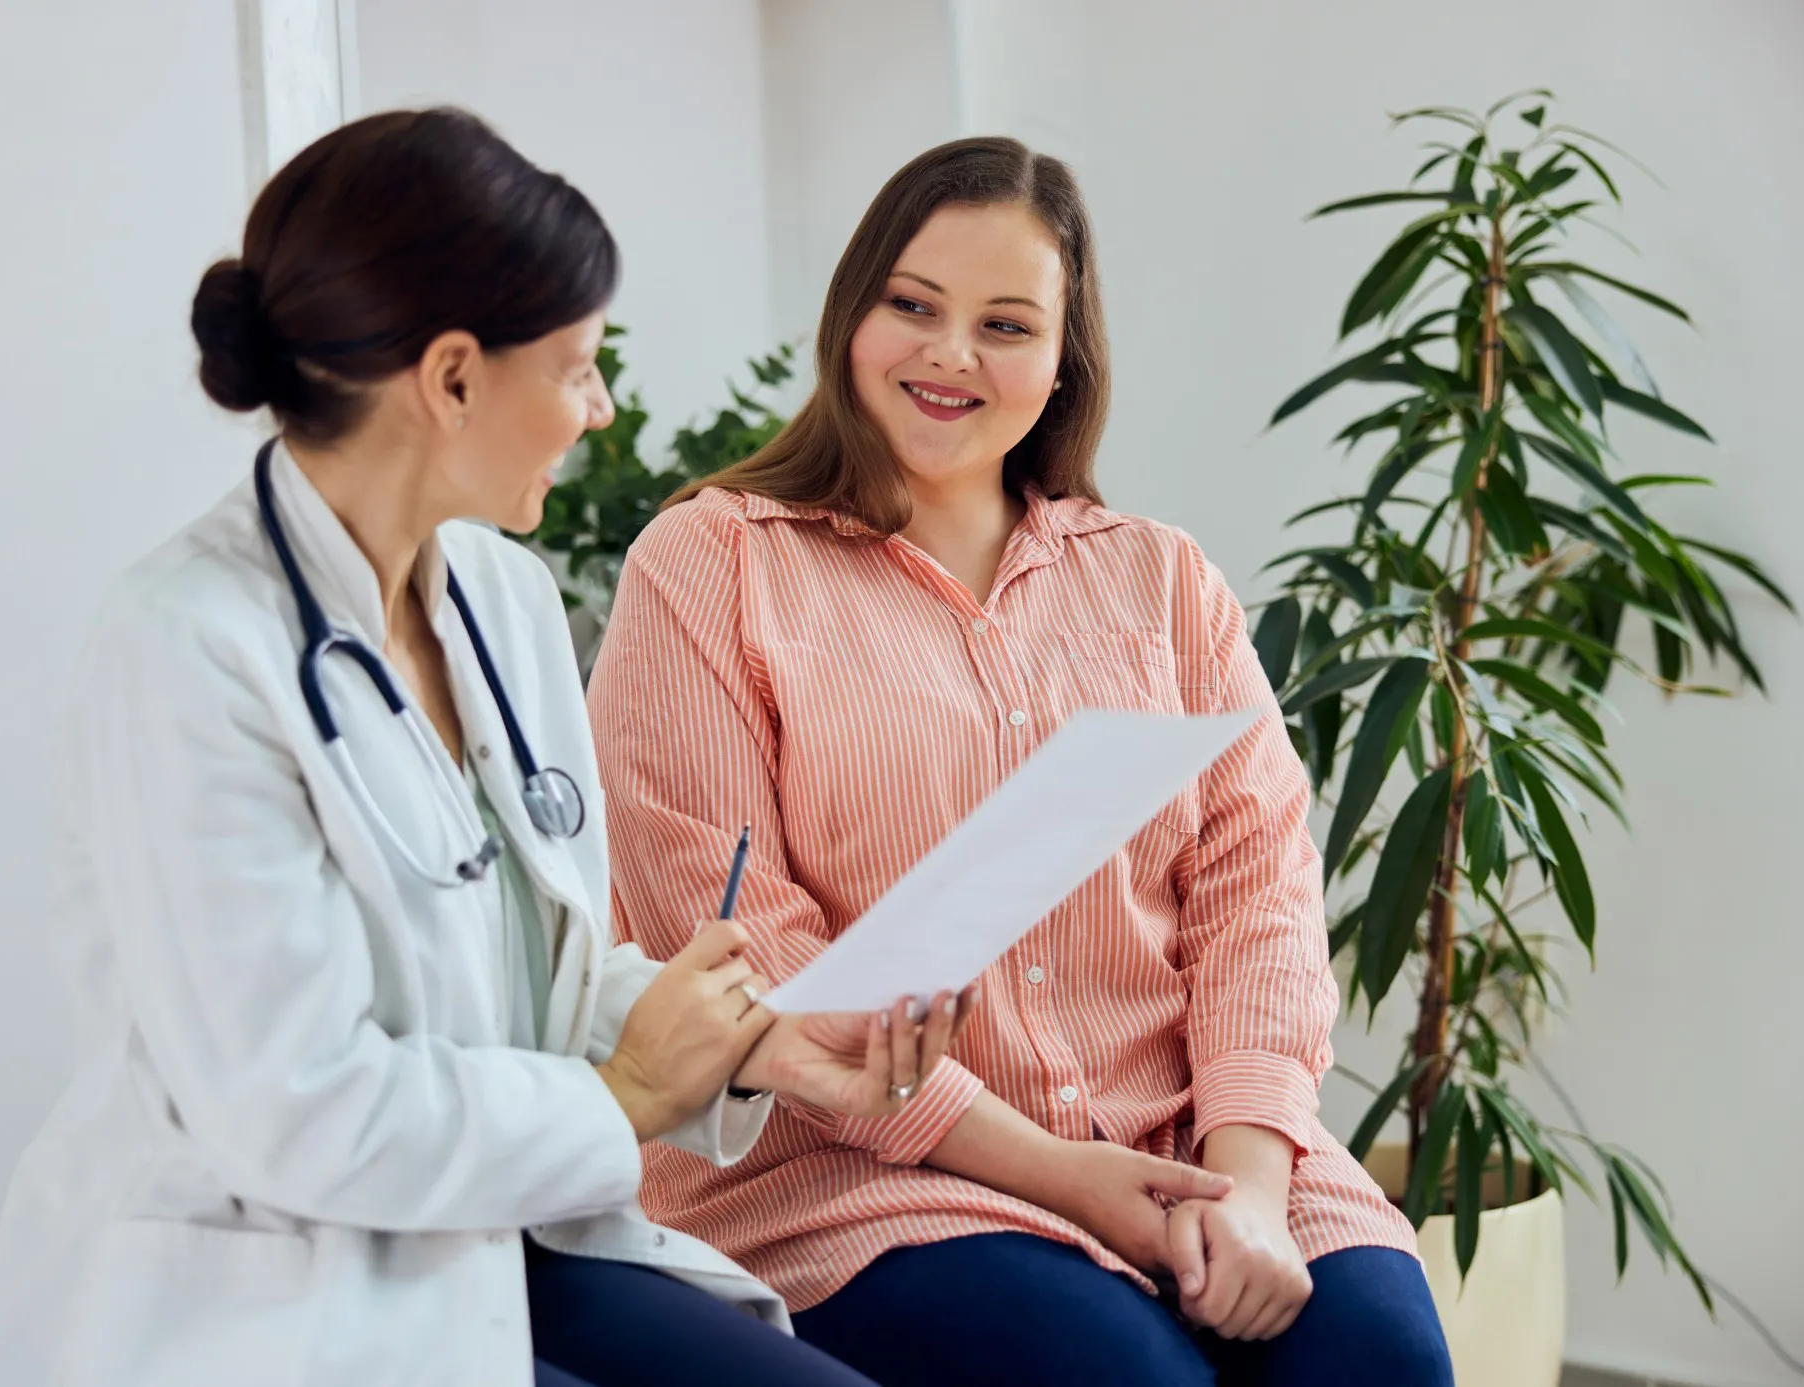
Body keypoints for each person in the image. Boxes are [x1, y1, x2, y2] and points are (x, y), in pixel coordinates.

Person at [0, 108, 968, 1387]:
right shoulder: (186, 651)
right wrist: (622, 1097)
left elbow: (516, 975)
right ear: (452, 379)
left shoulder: (500, 600)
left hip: (497, 1232)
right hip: (278, 1283)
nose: (600, 410)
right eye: (576, 366)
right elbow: (300, 1109)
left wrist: (747, 1042)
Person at [586, 136, 1455, 1386]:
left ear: (1061, 362)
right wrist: (1071, 1181)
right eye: (912, 306)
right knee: (1127, 1376)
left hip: (1190, 1132)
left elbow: (1257, 902)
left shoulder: (1162, 581)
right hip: (865, 1171)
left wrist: (1252, 1181)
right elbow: (741, 946)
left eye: (1004, 323)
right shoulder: (710, 563)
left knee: (1377, 1354)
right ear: (851, 314)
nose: (950, 355)